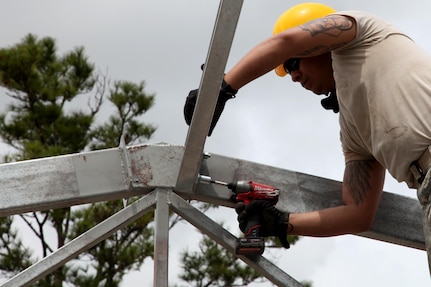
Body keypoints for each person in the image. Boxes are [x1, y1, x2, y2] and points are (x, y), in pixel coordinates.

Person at [183, 2, 431, 256]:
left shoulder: (362, 30)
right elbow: (358, 213)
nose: (294, 76)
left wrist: (222, 88)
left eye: (292, 64)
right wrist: (281, 222)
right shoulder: (354, 130)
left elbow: (287, 41)